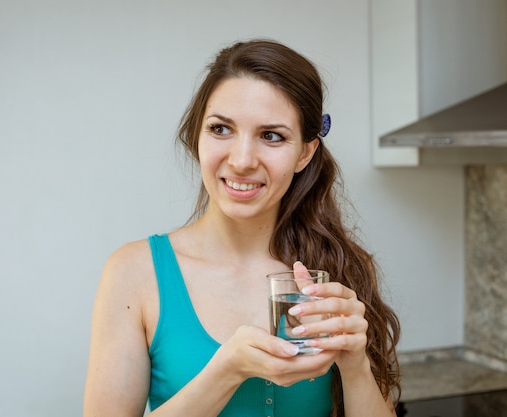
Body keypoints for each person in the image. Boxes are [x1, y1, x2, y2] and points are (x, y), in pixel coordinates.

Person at [83, 39, 401, 417]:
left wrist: (355, 363)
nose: (242, 160)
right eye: (221, 129)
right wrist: (227, 370)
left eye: (271, 136)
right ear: (196, 137)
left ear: (305, 152)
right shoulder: (134, 273)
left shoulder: (340, 269)